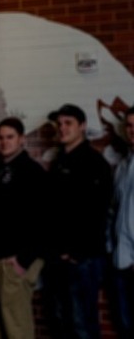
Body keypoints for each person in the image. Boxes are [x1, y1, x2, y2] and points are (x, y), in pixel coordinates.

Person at [40, 103, 112, 339]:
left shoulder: (94, 163)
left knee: (82, 325)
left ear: (82, 126)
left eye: (68, 123)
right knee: (60, 322)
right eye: (59, 124)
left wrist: (74, 252)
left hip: (82, 260)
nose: (62, 128)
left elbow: (96, 213)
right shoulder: (61, 162)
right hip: (57, 260)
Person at [0, 117, 47, 339]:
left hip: (13, 262)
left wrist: (24, 260)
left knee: (16, 328)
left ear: (21, 139)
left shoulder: (32, 172)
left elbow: (44, 221)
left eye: (10, 137)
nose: (4, 142)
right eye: (0, 138)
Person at [110, 106, 134, 338]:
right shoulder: (124, 166)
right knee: (124, 325)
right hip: (122, 260)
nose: (132, 130)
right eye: (129, 125)